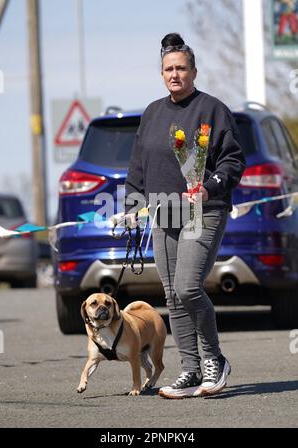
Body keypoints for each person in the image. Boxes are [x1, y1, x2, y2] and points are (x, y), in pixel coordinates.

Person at [124, 33, 246, 399]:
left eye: (181, 68)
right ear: (161, 74)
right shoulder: (152, 112)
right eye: (168, 69)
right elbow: (137, 166)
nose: (174, 74)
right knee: (173, 297)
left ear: (193, 71)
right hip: (163, 214)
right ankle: (190, 370)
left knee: (188, 287)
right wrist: (131, 203)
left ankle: (215, 360)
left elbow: (233, 159)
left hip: (202, 211)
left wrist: (211, 185)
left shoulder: (212, 109)